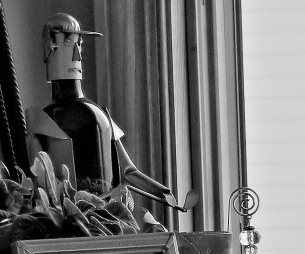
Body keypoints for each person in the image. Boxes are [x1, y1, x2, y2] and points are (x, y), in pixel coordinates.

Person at [26, 13, 194, 211]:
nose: (77, 54)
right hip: (66, 225)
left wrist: (164, 194)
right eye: (69, 43)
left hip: (108, 222)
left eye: (79, 44)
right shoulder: (42, 122)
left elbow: (128, 171)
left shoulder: (99, 116)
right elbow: (38, 190)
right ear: (50, 48)